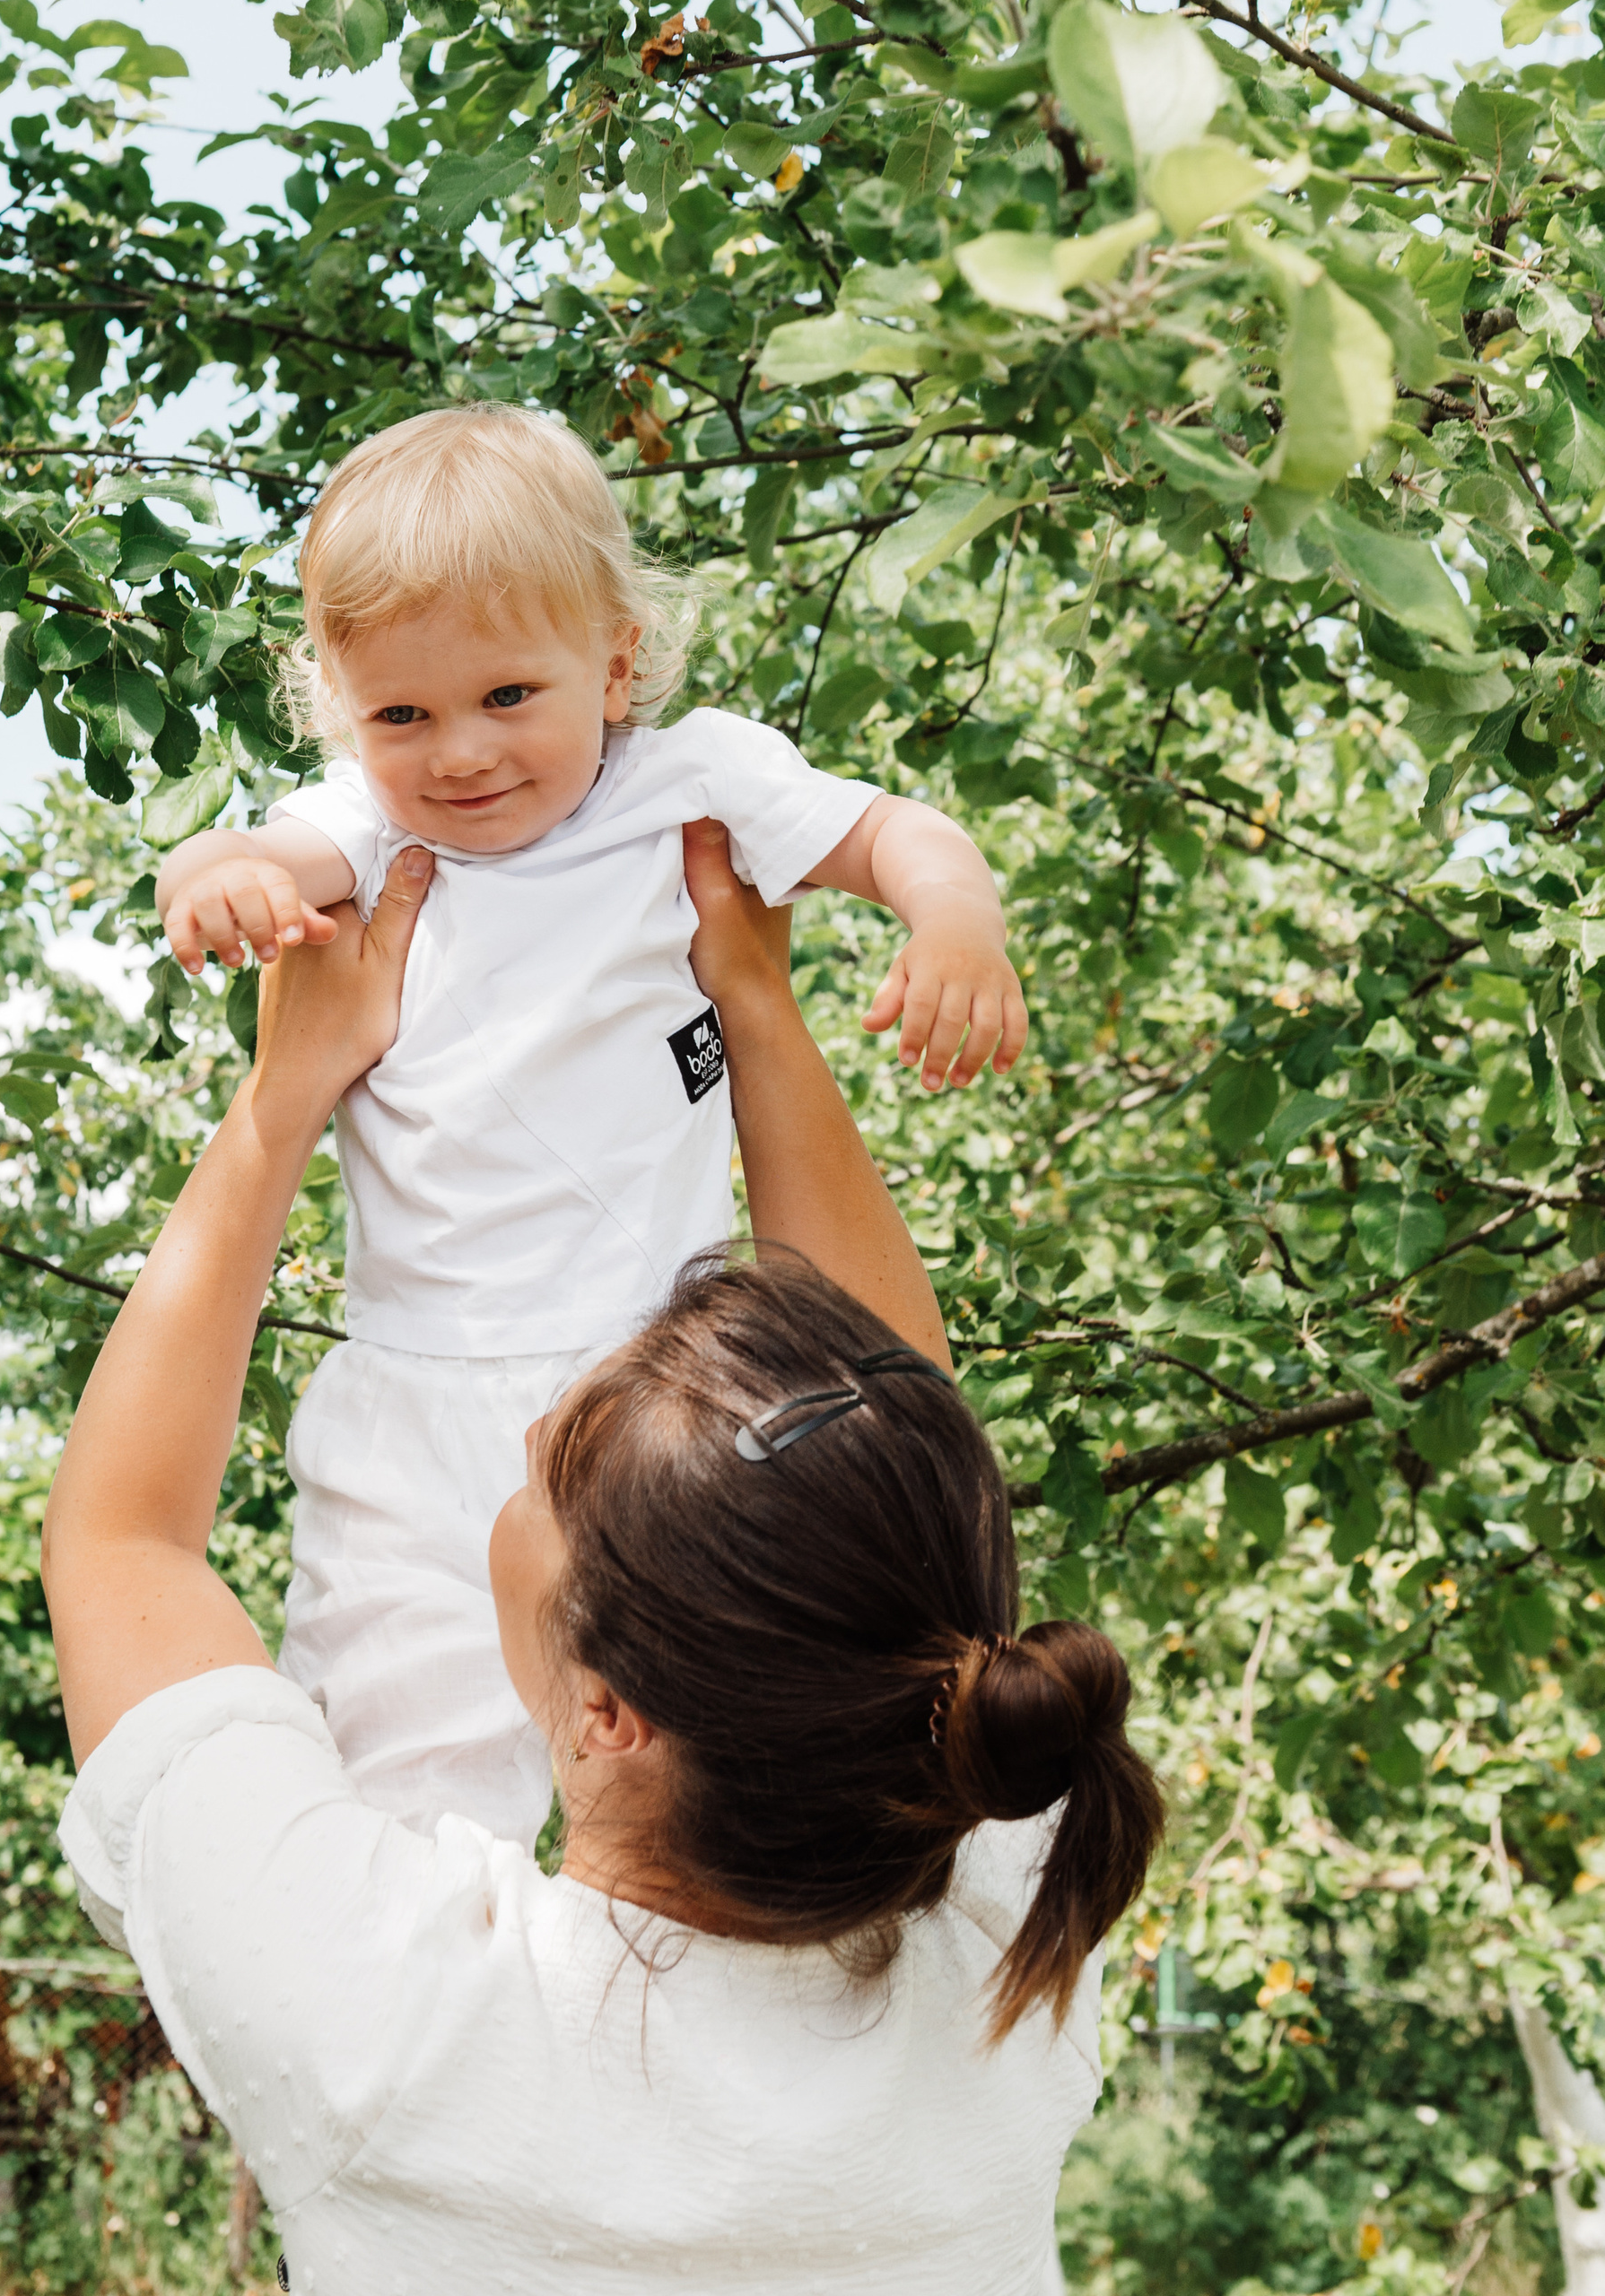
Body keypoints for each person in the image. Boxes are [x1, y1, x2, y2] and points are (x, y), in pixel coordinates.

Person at [42, 824, 1164, 2293]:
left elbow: (121, 1545)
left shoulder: (392, 2022)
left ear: (608, 1713)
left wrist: (284, 1096)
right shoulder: (1005, 1972)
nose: (514, 1461)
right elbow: (891, 1457)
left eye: (535, 1477)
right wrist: (751, 1008)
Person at [149, 404, 1031, 1843]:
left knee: (728, 1754)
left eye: (509, 697)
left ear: (616, 661)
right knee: (398, 1799)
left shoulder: (693, 781)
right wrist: (218, 878)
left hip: (656, 1385)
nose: (458, 754)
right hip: (416, 1401)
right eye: (400, 715)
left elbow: (898, 835)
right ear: (340, 705)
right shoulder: (374, 827)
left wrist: (954, 919)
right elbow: (252, 847)